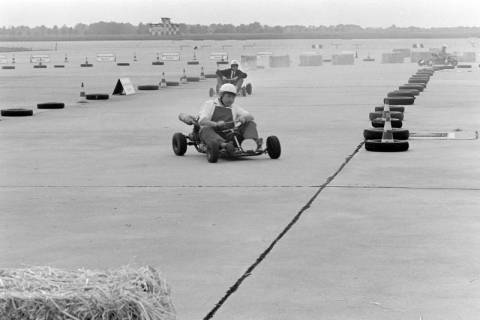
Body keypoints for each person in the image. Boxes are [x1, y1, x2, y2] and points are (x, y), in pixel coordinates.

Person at [198, 83, 262, 155]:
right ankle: (224, 145)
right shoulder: (210, 104)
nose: (231, 100)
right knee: (205, 129)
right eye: (228, 96)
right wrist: (216, 124)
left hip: (230, 135)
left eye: (233, 97)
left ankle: (251, 143)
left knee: (250, 123)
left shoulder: (234, 107)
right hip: (213, 134)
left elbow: (250, 116)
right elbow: (202, 121)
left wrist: (243, 118)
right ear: (221, 95)